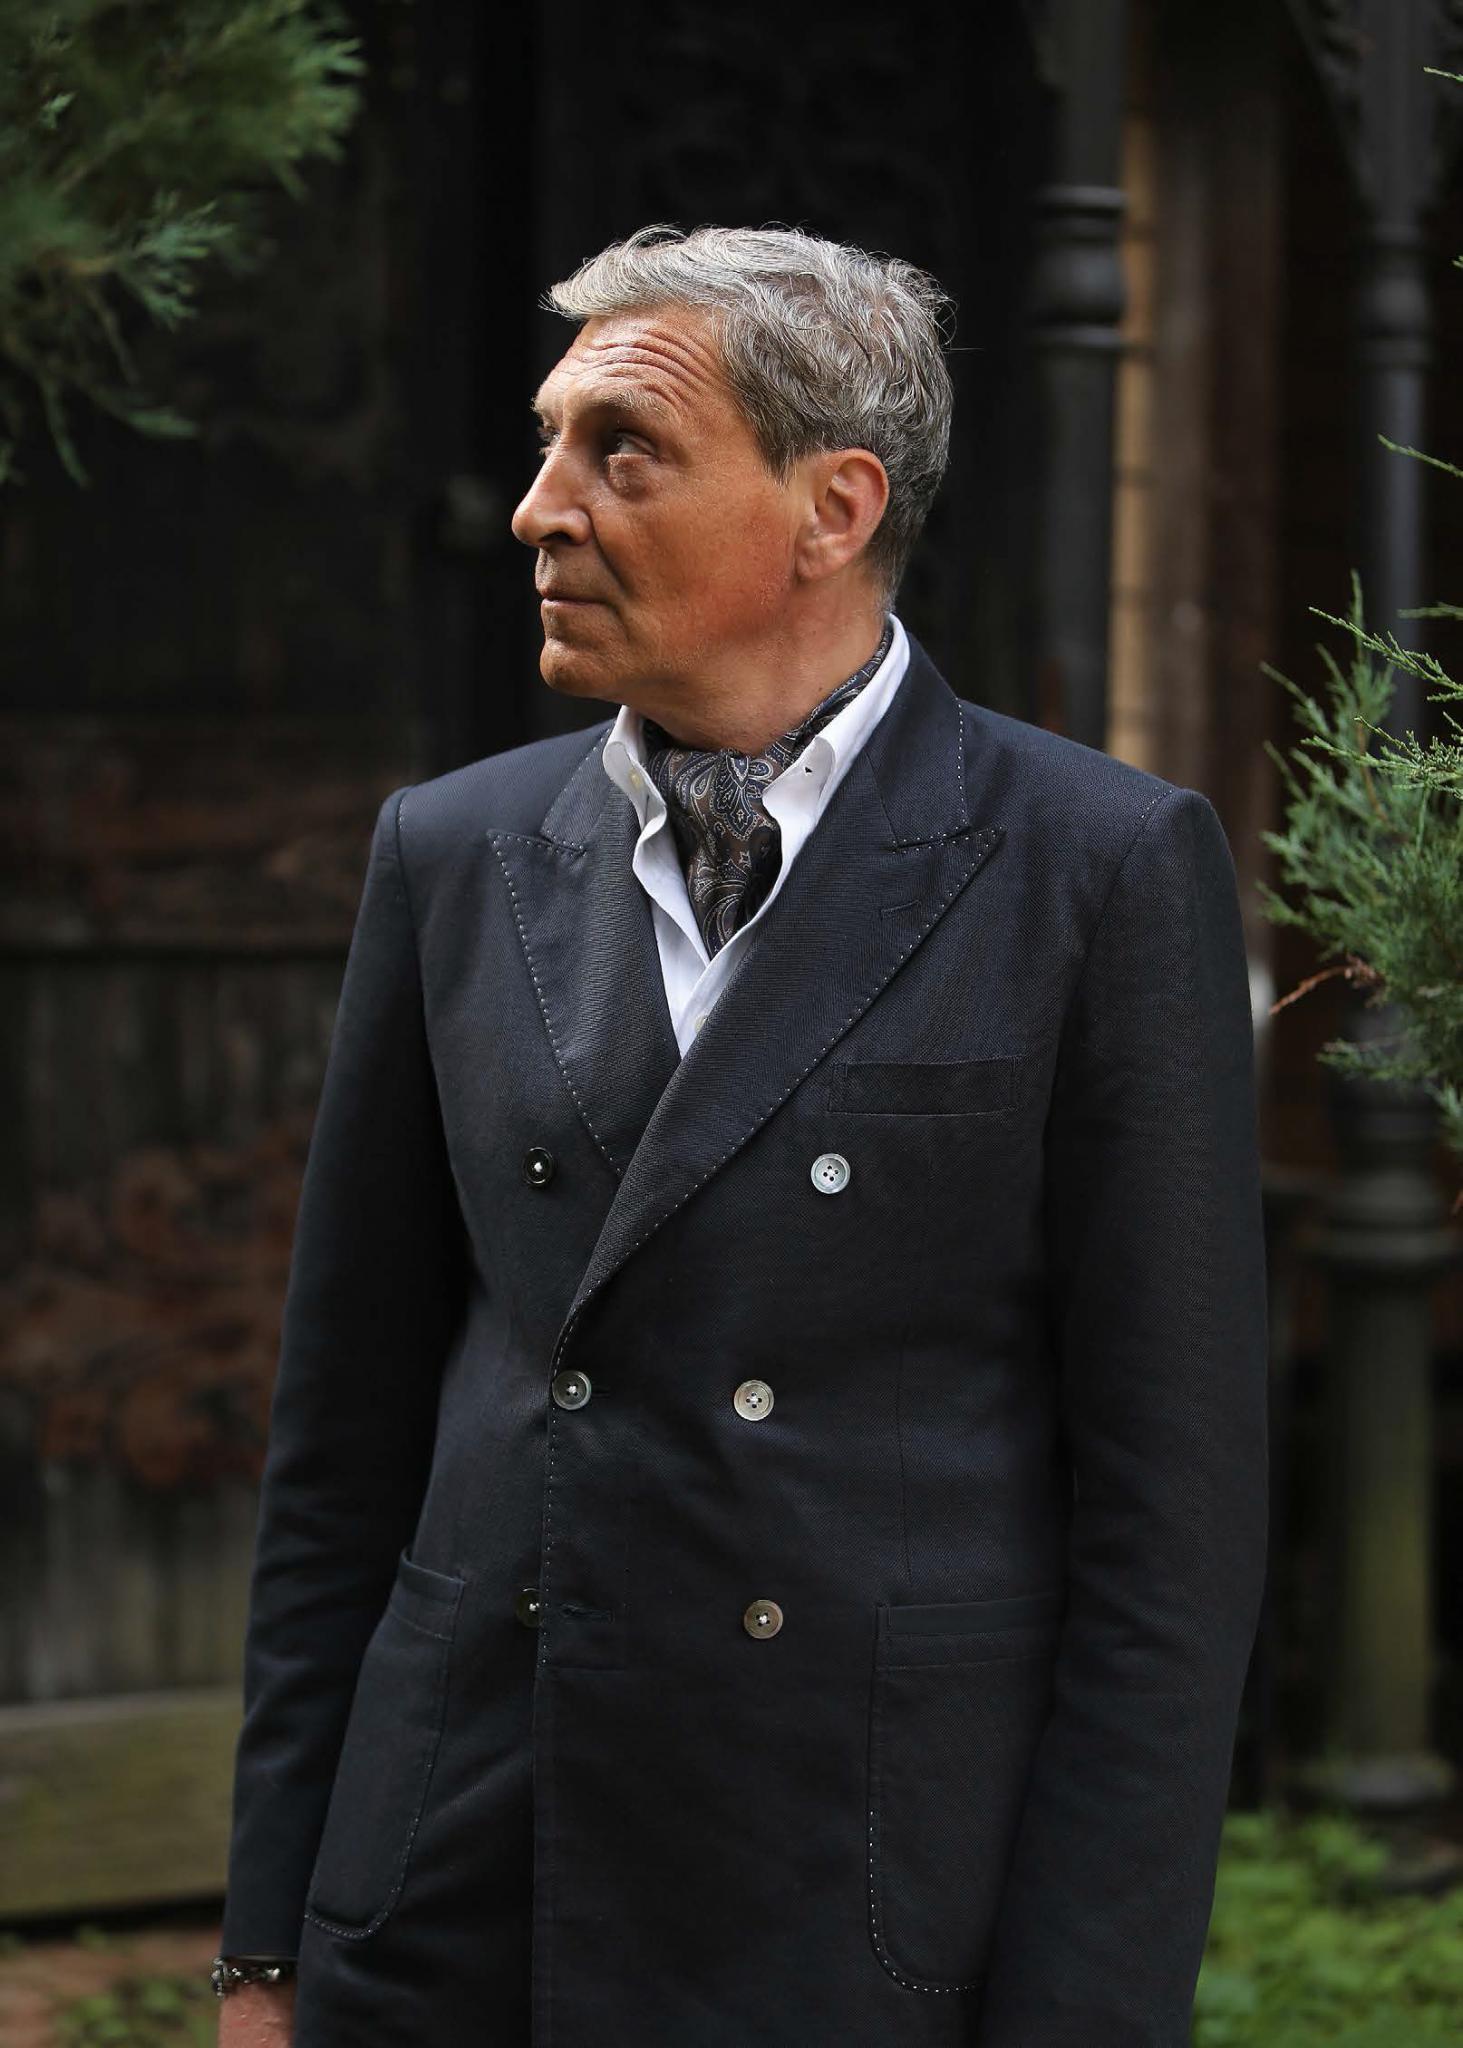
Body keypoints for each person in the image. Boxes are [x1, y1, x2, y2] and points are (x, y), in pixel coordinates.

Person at [215, 223, 1269, 2047]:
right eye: (550, 444)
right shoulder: (450, 854)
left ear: (832, 508)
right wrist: (266, 1948)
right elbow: (339, 1456)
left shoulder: (1097, 868)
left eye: (623, 451)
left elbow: (1172, 1547)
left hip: (852, 1907)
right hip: (458, 1898)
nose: (541, 509)